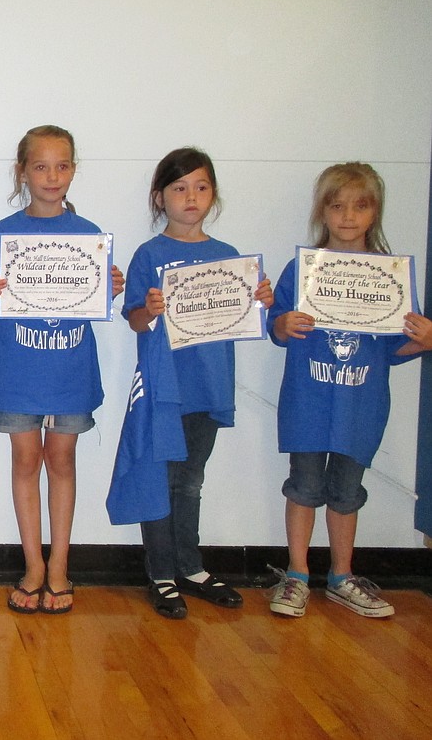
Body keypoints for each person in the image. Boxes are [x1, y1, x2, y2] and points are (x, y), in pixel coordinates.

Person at [267, 162, 432, 618]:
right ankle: (296, 574)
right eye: (336, 206)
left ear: (374, 212)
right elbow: (276, 328)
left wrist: (423, 338)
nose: (347, 216)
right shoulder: (301, 270)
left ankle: (341, 575)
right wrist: (282, 322)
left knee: (346, 491)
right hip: (309, 402)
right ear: (322, 211)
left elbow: (397, 348)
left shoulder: (390, 276)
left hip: (361, 405)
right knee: (302, 487)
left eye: (360, 206)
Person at [0, 126, 123, 615]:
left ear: (74, 171)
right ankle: (33, 565)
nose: (52, 176)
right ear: (23, 172)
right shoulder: (3, 233)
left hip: (70, 373)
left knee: (62, 461)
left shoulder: (89, 237)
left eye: (62, 166)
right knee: (25, 462)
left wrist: (111, 287)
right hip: (20, 373)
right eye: (40, 166)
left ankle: (59, 565)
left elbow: (100, 298)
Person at [121, 148, 273, 619]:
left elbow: (246, 320)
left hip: (209, 387)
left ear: (213, 195)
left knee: (190, 482)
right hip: (164, 388)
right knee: (161, 479)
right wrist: (150, 308)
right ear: (159, 197)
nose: (191, 197)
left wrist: (260, 299)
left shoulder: (228, 258)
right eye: (179, 188)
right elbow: (134, 321)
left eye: (201, 187)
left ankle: (190, 566)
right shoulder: (150, 255)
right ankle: (161, 572)